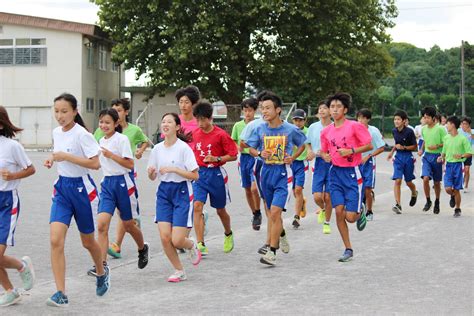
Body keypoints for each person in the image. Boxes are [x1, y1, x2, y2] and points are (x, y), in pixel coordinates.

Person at [44, 93, 110, 307]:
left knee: (88, 242)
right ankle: (60, 293)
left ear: (74, 111)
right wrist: (52, 158)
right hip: (62, 188)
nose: (60, 116)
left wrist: (66, 157)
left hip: (83, 190)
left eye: (64, 111)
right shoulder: (56, 132)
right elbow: (58, 154)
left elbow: (95, 164)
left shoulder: (82, 134)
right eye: (56, 111)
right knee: (55, 240)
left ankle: (101, 272)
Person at [246, 93, 306, 266]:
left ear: (278, 110)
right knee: (272, 214)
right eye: (262, 108)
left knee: (274, 212)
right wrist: (259, 153)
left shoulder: (290, 129)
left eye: (267, 108)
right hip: (265, 174)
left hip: (282, 174)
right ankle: (281, 234)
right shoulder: (260, 129)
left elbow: (302, 144)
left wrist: (292, 158)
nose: (264, 111)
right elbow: (249, 147)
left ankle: (271, 252)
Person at [92, 108, 149, 278]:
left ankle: (142, 248)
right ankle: (101, 266)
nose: (104, 125)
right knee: (102, 225)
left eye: (107, 122)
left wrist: (110, 155)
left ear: (116, 123)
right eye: (101, 122)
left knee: (128, 225)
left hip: (123, 183)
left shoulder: (122, 139)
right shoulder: (100, 140)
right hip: (108, 184)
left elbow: (130, 164)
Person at [148, 113, 201, 282]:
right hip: (163, 193)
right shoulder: (156, 149)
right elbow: (152, 176)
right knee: (165, 237)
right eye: (163, 121)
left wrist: (175, 169)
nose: (165, 124)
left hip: (182, 193)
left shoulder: (183, 148)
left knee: (177, 240)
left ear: (177, 127)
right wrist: (151, 173)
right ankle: (179, 270)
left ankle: (191, 244)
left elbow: (195, 176)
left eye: (169, 122)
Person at [319, 92, 373, 262]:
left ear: (345, 109)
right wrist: (325, 156)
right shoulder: (326, 131)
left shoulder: (355, 126)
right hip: (334, 173)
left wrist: (352, 151)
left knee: (350, 217)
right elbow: (324, 150)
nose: (334, 110)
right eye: (332, 107)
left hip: (352, 173)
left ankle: (360, 210)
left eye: (338, 107)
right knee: (338, 211)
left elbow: (369, 145)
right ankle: (348, 248)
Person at [191, 101, 237, 256]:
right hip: (199, 175)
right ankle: (200, 243)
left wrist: (217, 158)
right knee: (197, 206)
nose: (200, 123)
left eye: (203, 119)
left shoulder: (221, 135)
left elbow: (233, 155)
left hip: (216, 175)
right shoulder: (194, 134)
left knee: (220, 210)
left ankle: (228, 233)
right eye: (197, 120)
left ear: (210, 118)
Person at [0, 106, 36, 306]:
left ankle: (21, 266)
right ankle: (10, 290)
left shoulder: (12, 147)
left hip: (7, 202)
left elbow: (31, 169)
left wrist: (12, 176)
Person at [231, 98, 262, 230]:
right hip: (243, 159)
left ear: (255, 111)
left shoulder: (259, 125)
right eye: (245, 110)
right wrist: (237, 147)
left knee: (255, 188)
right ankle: (255, 213)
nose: (247, 113)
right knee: (248, 189)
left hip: (255, 158)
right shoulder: (238, 125)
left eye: (250, 110)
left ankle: (259, 210)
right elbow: (233, 140)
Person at [306, 101, 333, 234]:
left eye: (325, 108)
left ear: (330, 111)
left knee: (328, 196)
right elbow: (308, 143)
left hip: (332, 163)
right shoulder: (313, 127)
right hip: (317, 163)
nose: (322, 110)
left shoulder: (335, 126)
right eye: (320, 108)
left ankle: (327, 223)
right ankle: (322, 209)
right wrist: (310, 152)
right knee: (317, 196)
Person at [437, 116, 472, 217]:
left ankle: (457, 208)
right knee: (448, 188)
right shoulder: (446, 137)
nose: (446, 126)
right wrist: (441, 157)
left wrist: (461, 155)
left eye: (447, 124)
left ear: (452, 125)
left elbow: (470, 152)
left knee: (456, 189)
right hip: (448, 165)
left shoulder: (462, 138)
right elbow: (444, 150)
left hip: (458, 166)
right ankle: (452, 196)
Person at [356, 109, 386, 221]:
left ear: (368, 119)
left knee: (367, 187)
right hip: (356, 161)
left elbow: (381, 148)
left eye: (363, 118)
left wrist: (368, 156)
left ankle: (369, 211)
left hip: (368, 162)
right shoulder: (354, 130)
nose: (360, 120)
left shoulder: (373, 131)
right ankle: (358, 208)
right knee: (357, 187)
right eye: (358, 118)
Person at [387, 110, 418, 214]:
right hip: (398, 158)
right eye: (395, 119)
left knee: (408, 182)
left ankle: (414, 192)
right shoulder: (394, 131)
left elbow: (415, 146)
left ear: (404, 121)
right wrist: (391, 152)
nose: (396, 121)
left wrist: (404, 147)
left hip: (408, 157)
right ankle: (398, 204)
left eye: (398, 119)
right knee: (397, 180)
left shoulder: (409, 131)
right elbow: (396, 144)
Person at [418, 106, 447, 214]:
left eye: (427, 118)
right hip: (427, 157)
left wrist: (437, 146)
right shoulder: (424, 129)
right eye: (424, 117)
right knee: (425, 178)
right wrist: (421, 150)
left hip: (437, 157)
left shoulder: (440, 129)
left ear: (433, 118)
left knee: (436, 182)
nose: (425, 120)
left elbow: (446, 142)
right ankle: (428, 200)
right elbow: (425, 141)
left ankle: (437, 201)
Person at [290, 109, 309, 229]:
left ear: (304, 121)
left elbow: (313, 144)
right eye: (296, 120)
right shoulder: (289, 131)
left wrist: (311, 152)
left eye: (300, 120)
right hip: (290, 163)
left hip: (302, 163)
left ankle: (296, 217)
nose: (298, 123)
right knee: (294, 191)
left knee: (298, 190)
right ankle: (301, 202)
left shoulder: (308, 132)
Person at [459, 117, 473, 192]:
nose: (464, 125)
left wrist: (470, 132)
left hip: (468, 153)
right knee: (459, 170)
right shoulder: (458, 131)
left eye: (466, 124)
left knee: (467, 170)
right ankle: (459, 182)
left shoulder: (472, 131)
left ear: (469, 125)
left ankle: (466, 185)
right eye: (463, 123)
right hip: (459, 153)